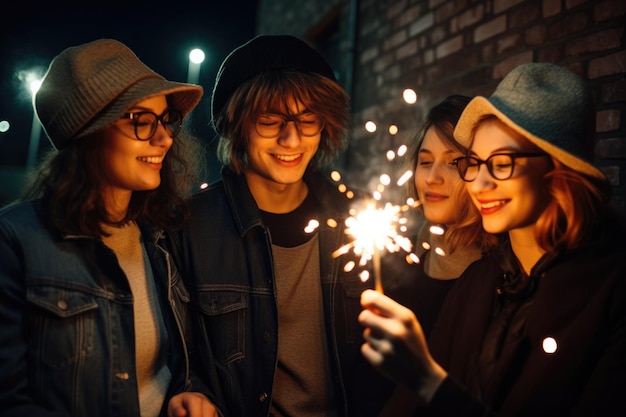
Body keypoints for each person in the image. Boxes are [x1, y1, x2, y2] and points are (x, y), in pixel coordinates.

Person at [358, 62, 626, 416]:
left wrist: (427, 380)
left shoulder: (612, 292)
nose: (479, 185)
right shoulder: (477, 283)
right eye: (475, 163)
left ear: (558, 169)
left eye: (501, 163)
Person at [172, 34, 408, 416]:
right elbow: (176, 357)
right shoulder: (188, 228)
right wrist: (192, 393)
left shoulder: (359, 218)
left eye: (307, 120)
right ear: (236, 126)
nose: (292, 138)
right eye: (270, 121)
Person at [0, 39, 219, 417]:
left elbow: (178, 362)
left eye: (165, 119)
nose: (164, 137)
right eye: (141, 121)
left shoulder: (162, 236)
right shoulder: (16, 240)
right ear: (88, 134)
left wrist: (187, 394)